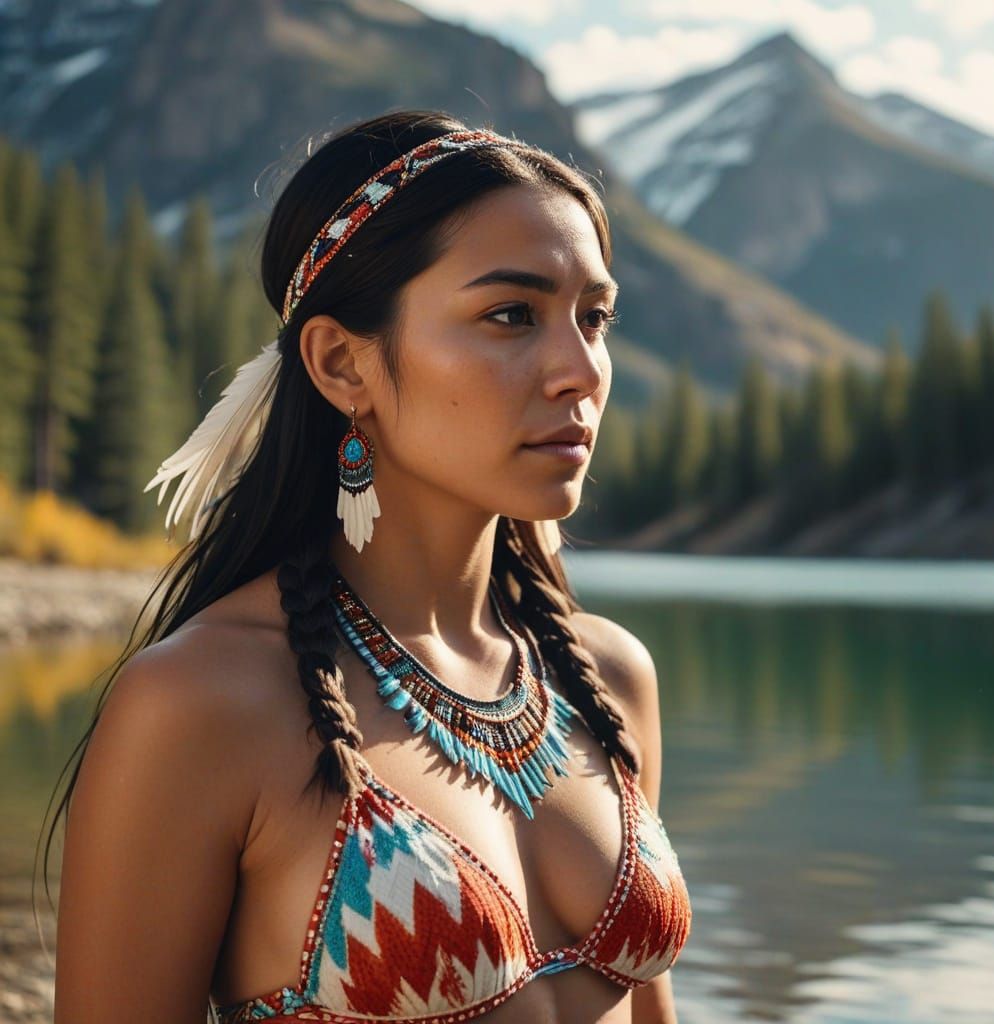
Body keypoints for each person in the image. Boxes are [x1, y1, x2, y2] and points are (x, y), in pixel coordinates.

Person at [48, 109, 692, 1024]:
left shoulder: (608, 679)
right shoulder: (203, 703)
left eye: (594, 318)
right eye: (512, 315)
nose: (581, 370)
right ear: (342, 364)